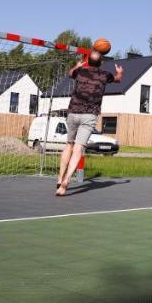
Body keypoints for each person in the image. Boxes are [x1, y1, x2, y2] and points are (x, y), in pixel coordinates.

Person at [56, 50, 123, 196]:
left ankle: (60, 179)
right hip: (89, 115)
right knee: (78, 149)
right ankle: (67, 180)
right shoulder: (105, 75)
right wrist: (120, 72)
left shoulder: (80, 71)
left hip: (73, 112)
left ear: (87, 61)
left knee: (69, 145)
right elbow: (118, 79)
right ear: (101, 63)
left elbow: (70, 73)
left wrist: (76, 65)